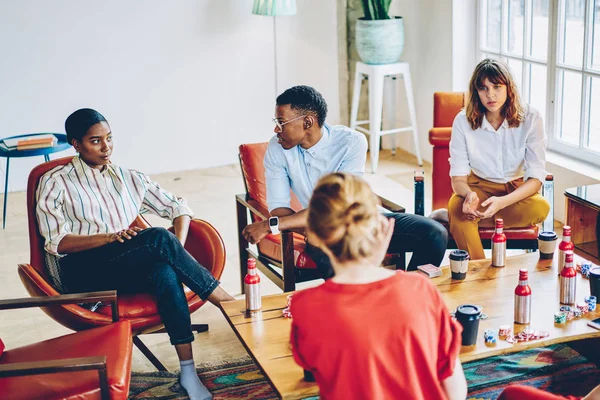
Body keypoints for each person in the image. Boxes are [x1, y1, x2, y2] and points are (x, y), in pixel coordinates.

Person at [36, 108, 235, 400]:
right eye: (95, 141)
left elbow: (178, 206)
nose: (106, 148)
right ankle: (225, 303)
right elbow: (56, 242)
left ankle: (188, 371)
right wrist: (109, 238)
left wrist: (173, 248)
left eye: (109, 138)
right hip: (82, 272)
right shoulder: (56, 182)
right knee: (156, 237)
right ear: (76, 144)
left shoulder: (127, 178)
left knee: (164, 270)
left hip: (123, 265)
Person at [289, 172, 467, 400]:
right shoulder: (421, 289)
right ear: (381, 229)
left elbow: (315, 370)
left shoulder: (306, 307)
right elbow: (454, 389)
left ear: (314, 236)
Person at [242, 85, 448, 275]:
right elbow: (278, 209)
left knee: (435, 233)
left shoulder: (351, 142)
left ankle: (408, 294)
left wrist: (271, 225)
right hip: (325, 234)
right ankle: (350, 308)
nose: (276, 129)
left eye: (281, 122)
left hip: (363, 222)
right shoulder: (277, 149)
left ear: (307, 122)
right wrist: (311, 228)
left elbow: (340, 205)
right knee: (333, 259)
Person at [448, 59, 550, 260]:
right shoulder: (462, 121)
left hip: (516, 192)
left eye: (496, 86)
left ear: (509, 88)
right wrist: (469, 196)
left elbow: (536, 179)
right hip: (479, 189)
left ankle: (472, 218)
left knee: (541, 207)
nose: (490, 95)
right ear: (476, 91)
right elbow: (458, 180)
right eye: (483, 88)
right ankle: (480, 277)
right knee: (458, 209)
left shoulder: (531, 117)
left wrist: (501, 203)